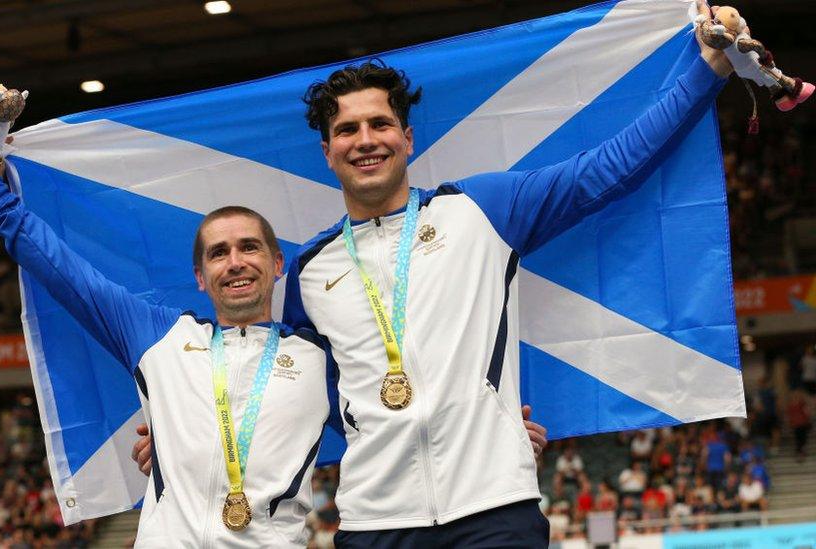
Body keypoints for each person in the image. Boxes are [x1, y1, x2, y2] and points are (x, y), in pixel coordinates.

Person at [279, 2, 732, 545]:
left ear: (408, 138)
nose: (366, 138)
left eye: (381, 123)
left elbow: (609, 167)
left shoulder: (481, 210)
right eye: (347, 129)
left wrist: (707, 69)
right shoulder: (310, 269)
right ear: (328, 153)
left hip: (494, 505)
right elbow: (300, 391)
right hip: (375, 521)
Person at [0, 160, 334, 546]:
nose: (236, 262)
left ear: (276, 264)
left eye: (249, 247)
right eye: (219, 253)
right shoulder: (162, 337)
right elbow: (64, 270)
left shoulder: (319, 356)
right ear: (200, 277)